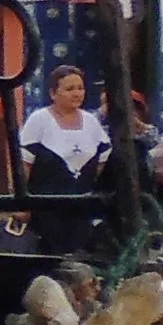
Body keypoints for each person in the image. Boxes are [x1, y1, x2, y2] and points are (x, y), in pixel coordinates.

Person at [19, 63, 109, 255]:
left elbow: (103, 159)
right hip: (45, 210)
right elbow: (23, 165)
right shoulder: (39, 120)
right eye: (69, 89)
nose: (77, 94)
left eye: (80, 88)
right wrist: (21, 204)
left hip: (80, 210)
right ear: (53, 93)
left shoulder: (91, 122)